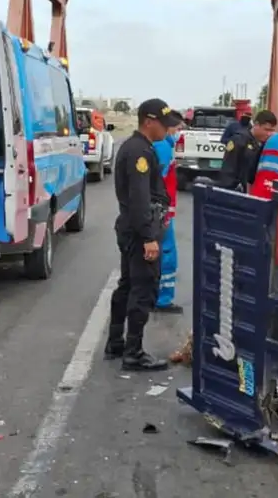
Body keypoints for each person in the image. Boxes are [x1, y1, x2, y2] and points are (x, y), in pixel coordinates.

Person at [107, 98, 181, 371]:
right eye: (164, 124)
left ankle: (115, 342)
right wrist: (149, 237)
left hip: (131, 227)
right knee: (142, 289)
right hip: (140, 230)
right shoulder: (139, 152)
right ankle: (133, 353)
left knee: (127, 285)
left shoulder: (137, 147)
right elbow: (139, 198)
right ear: (149, 122)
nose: (167, 129)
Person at [153, 112, 186, 314]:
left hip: (162, 210)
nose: (178, 133)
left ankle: (157, 296)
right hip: (162, 212)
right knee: (167, 254)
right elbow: (160, 184)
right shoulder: (162, 148)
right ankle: (162, 299)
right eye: (177, 129)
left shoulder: (162, 146)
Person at [216, 110, 277, 192]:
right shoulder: (239, 140)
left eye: (272, 130)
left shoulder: (265, 144)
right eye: (266, 130)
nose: (269, 134)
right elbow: (228, 171)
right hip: (238, 193)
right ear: (256, 125)